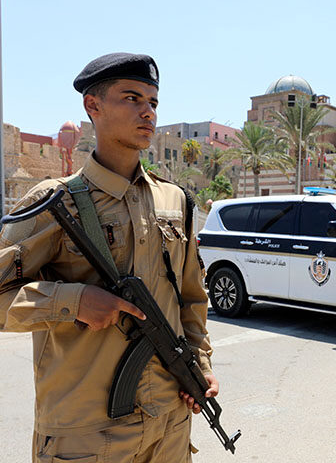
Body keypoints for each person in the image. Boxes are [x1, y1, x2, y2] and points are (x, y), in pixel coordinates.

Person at [0, 53, 217, 462]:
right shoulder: (52, 203)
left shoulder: (176, 202)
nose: (147, 112)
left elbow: (192, 298)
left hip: (169, 423)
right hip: (87, 433)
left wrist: (200, 365)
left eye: (153, 102)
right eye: (132, 98)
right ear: (92, 106)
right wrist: (72, 301)